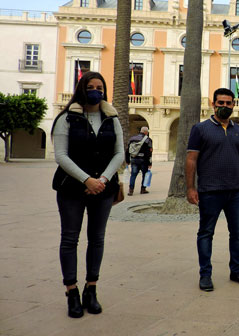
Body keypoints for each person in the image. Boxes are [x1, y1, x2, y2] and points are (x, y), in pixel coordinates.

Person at [51, 71, 124, 318]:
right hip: (71, 189)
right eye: (91, 86)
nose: (96, 91)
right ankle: (71, 291)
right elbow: (61, 156)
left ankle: (91, 289)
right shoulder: (66, 118)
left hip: (103, 189)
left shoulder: (111, 118)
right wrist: (86, 179)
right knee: (70, 239)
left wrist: (102, 180)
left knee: (97, 239)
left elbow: (119, 153)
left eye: (100, 87)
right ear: (81, 88)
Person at [186, 88, 239, 291]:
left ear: (234, 105)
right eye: (221, 103)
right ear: (213, 104)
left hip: (235, 192)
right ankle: (205, 274)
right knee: (206, 233)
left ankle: (236, 270)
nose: (224, 106)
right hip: (209, 191)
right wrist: (191, 188)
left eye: (228, 103)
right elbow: (191, 159)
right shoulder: (200, 129)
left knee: (238, 233)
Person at [125, 126, 152, 195]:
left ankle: (131, 190)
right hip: (144, 160)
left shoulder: (132, 139)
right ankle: (143, 189)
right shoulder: (148, 140)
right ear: (146, 132)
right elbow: (149, 152)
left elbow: (127, 150)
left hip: (134, 159)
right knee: (144, 175)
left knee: (133, 175)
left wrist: (127, 160)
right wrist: (150, 163)